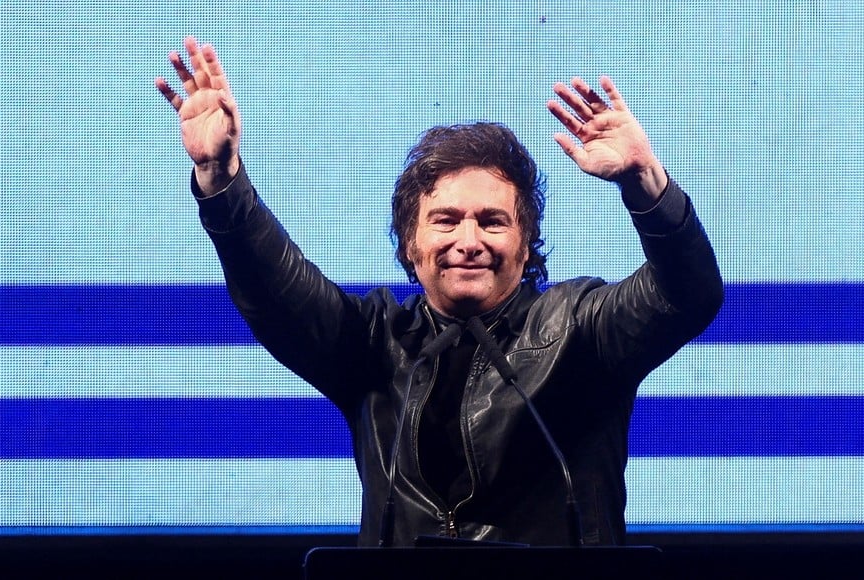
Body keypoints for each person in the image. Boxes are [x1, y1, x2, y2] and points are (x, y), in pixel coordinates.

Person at [156, 36, 723, 547]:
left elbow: (689, 294)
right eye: (446, 221)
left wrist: (644, 181)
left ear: (526, 247)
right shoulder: (372, 343)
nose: (469, 241)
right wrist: (222, 179)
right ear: (410, 243)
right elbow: (275, 289)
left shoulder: (581, 328)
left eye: (493, 222)